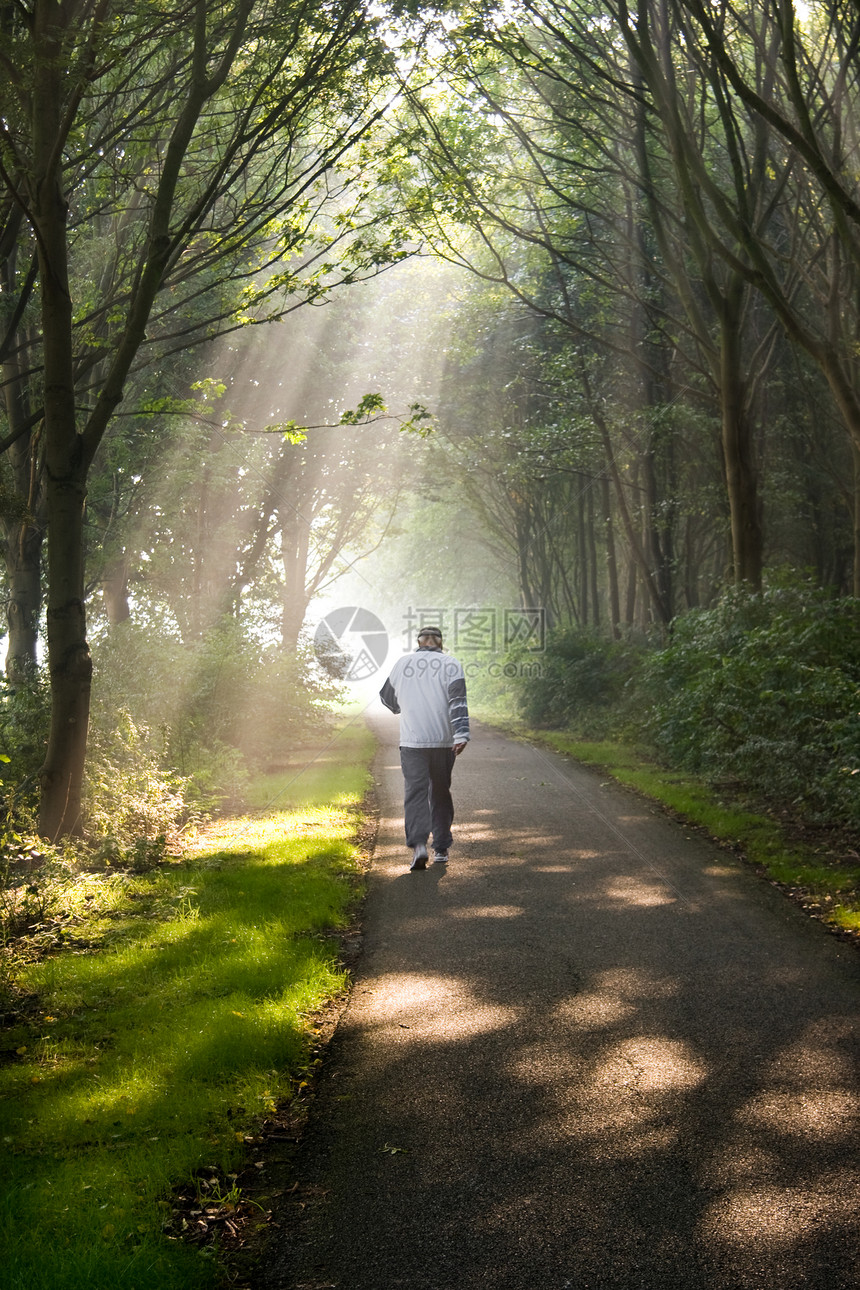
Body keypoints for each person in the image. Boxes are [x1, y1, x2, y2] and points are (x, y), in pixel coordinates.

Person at [379, 626, 470, 871]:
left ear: (418, 642)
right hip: (443, 741)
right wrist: (461, 734)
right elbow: (457, 702)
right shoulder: (451, 664)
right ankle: (441, 848)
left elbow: (387, 697)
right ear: (440, 643)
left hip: (412, 742)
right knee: (440, 792)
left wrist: (403, 708)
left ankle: (419, 845)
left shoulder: (403, 663)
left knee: (415, 792)